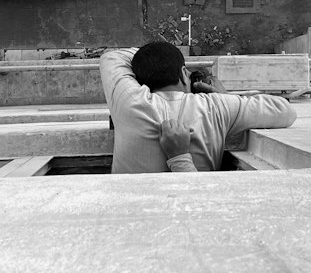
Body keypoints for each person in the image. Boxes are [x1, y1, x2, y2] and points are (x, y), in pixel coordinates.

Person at [99, 42, 297, 174]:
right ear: (184, 73)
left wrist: (150, 60)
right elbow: (285, 112)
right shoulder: (218, 105)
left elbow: (112, 57)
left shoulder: (129, 100)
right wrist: (224, 95)